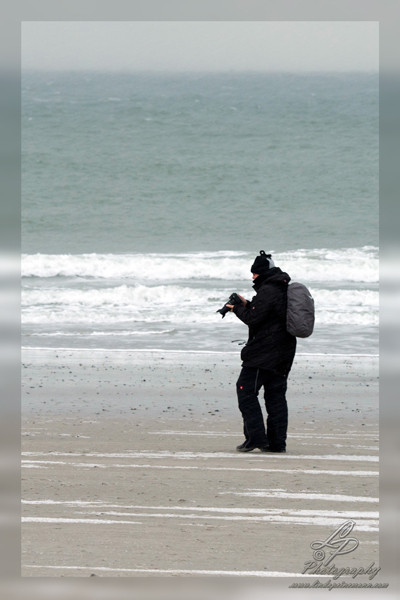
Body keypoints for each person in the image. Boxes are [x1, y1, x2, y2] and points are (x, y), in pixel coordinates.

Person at [226, 250, 296, 453]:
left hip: (264, 352)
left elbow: (254, 319)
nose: (252, 277)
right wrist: (246, 303)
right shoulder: (281, 288)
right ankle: (276, 443)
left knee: (245, 390)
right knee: (276, 397)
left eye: (255, 273)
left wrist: (234, 309)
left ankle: (255, 438)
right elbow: (265, 312)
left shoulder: (269, 290)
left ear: (263, 272)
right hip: (284, 351)